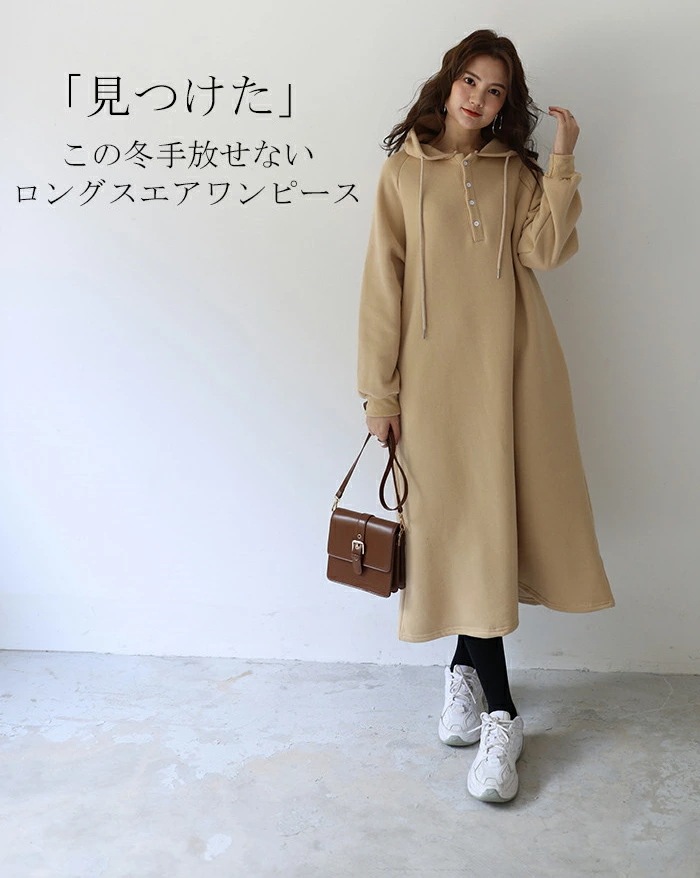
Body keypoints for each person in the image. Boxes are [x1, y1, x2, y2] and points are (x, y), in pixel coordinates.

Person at [356, 29, 615, 803]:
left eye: (495, 89)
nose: (478, 97)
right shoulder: (402, 173)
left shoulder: (513, 172)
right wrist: (380, 393)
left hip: (513, 377)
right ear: (449, 83)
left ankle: (479, 692)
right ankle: (499, 707)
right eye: (470, 80)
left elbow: (544, 252)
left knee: (491, 530)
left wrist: (562, 157)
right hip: (433, 386)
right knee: (463, 534)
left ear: (507, 104)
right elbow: (382, 286)